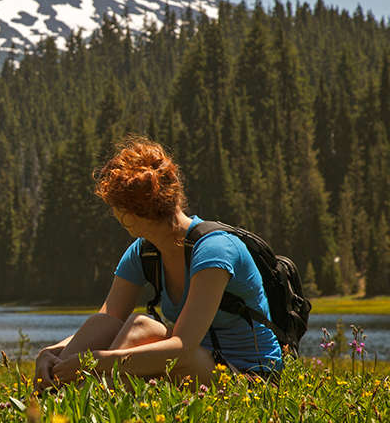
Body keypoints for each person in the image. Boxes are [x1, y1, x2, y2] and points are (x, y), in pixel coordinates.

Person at [34, 136, 283, 392]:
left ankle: (92, 407)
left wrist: (96, 362)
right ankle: (56, 406)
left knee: (141, 326)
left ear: (132, 213)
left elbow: (182, 349)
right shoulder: (145, 252)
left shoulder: (214, 250)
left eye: (116, 207)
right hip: (201, 364)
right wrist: (52, 352)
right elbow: (108, 319)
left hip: (249, 378)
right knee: (104, 323)